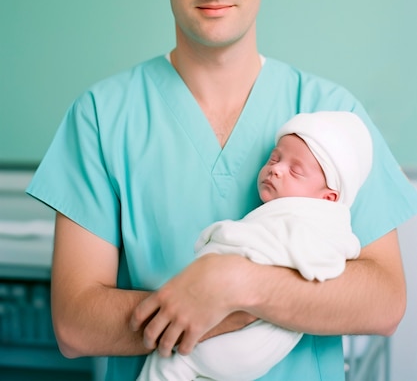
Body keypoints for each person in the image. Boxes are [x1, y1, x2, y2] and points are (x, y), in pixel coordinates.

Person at [26, 0, 417, 381]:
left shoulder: (333, 114)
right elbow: (76, 323)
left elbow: (384, 301)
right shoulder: (101, 117)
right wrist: (211, 305)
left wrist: (236, 285)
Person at [137, 110, 373, 381]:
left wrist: (221, 238)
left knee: (169, 365)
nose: (276, 168)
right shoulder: (290, 217)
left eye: (295, 171)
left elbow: (273, 249)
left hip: (241, 340)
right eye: (274, 158)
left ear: (328, 198)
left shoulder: (313, 222)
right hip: (246, 351)